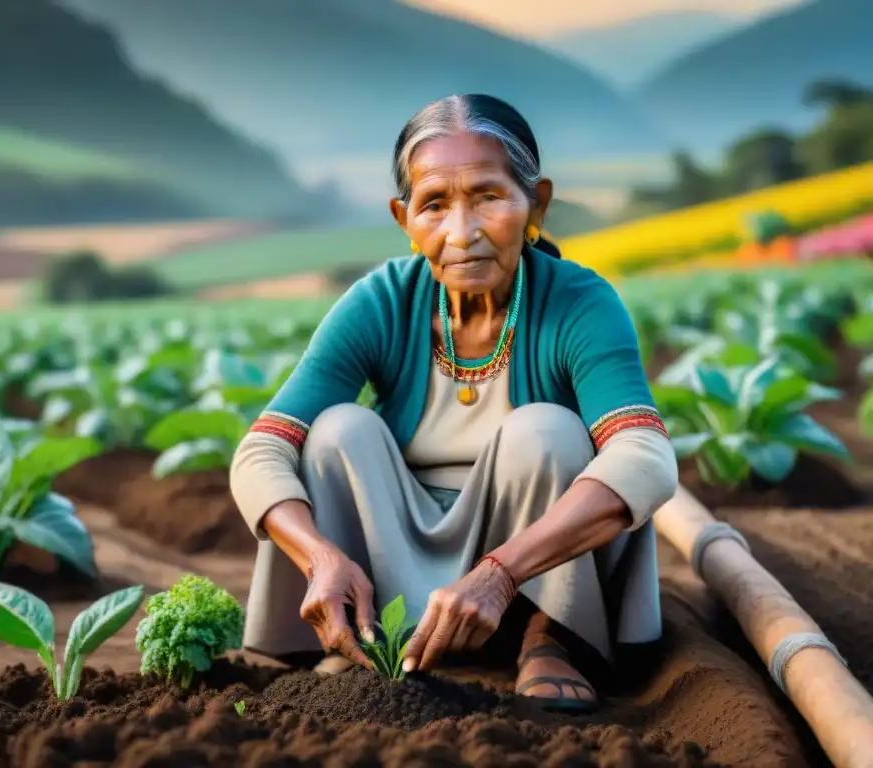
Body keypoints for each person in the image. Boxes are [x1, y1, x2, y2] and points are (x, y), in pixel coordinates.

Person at [230, 94, 678, 713]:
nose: (461, 232)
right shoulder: (380, 301)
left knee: (546, 432)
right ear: (403, 217)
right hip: (398, 555)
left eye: (489, 198)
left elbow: (646, 455)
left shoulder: (580, 302)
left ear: (535, 205)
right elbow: (263, 448)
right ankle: (373, 634)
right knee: (334, 431)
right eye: (434, 204)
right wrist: (320, 557)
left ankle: (549, 639)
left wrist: (499, 574)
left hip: (531, 570)